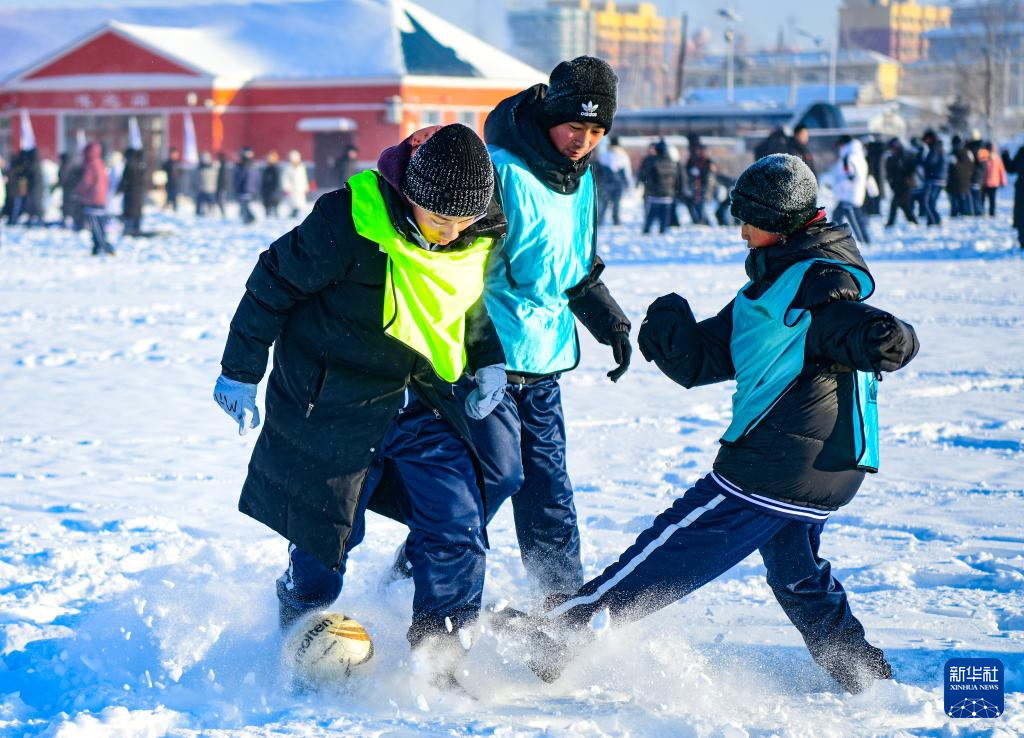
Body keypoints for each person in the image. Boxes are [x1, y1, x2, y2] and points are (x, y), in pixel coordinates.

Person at [503, 153, 920, 695]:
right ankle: (865, 677)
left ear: (779, 221)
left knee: (671, 548)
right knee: (797, 575)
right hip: (821, 467)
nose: (741, 231)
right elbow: (704, 361)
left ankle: (563, 632)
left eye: (749, 219)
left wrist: (888, 336)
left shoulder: (818, 283)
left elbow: (859, 327)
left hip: (777, 463)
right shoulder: (771, 285)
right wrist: (670, 330)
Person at [213, 123, 509, 683]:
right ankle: (299, 635)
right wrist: (239, 372)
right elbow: (272, 282)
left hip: (421, 400)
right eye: (439, 219)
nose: (451, 233)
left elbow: (463, 303)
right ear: (412, 194)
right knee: (326, 539)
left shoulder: (474, 233)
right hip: (336, 403)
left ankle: (441, 663)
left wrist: (488, 358)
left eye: (463, 221)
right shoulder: (347, 221)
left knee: (457, 527)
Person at [390, 57, 634, 599]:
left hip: (544, 362)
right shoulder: (499, 171)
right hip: (485, 361)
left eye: (597, 131)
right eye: (575, 126)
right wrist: (470, 351)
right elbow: (453, 267)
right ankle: (410, 582)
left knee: (550, 493)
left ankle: (561, 608)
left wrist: (608, 319)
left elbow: (574, 265)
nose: (584, 141)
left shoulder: (582, 180)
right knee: (486, 485)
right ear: (550, 115)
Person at [830, 136, 871, 244]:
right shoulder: (857, 154)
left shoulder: (848, 157)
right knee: (838, 217)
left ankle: (864, 242)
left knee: (853, 220)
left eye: (839, 145)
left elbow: (851, 176)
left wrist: (839, 186)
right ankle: (838, 242)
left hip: (849, 194)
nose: (838, 148)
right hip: (851, 194)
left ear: (844, 145)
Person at [77, 142, 114, 256]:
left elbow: (87, 182)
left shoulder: (91, 164)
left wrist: (78, 190)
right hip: (101, 198)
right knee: (100, 224)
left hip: (92, 198)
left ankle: (104, 246)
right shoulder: (101, 163)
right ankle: (97, 247)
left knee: (95, 226)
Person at [637, 139, 681, 234]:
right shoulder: (672, 163)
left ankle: (646, 231)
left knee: (651, 215)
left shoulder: (653, 162)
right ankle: (662, 232)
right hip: (668, 194)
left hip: (655, 195)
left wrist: (649, 188)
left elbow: (646, 177)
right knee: (665, 217)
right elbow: (677, 178)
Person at [597, 136, 632, 225]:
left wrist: (599, 182)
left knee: (604, 203)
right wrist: (628, 184)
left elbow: (599, 171)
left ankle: (600, 221)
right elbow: (627, 172)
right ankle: (616, 221)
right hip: (618, 183)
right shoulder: (623, 156)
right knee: (616, 204)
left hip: (606, 183)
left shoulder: (604, 156)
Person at [884, 138, 918, 227]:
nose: (892, 150)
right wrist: (891, 181)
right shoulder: (892, 157)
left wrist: (907, 177)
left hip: (905, 184)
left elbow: (911, 168)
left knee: (895, 204)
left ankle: (891, 222)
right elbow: (890, 171)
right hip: (896, 185)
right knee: (904, 205)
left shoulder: (905, 155)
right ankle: (913, 221)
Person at [118, 147, 147, 236]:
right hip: (138, 193)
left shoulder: (129, 165)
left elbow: (124, 180)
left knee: (129, 212)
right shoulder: (142, 164)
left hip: (130, 193)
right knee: (137, 212)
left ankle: (129, 230)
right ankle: (136, 229)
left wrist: (119, 189)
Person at [685, 142, 717, 225]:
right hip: (696, 187)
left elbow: (710, 175)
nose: (700, 152)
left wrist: (700, 172)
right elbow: (687, 171)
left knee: (702, 205)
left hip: (705, 187)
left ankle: (704, 222)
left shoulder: (709, 161)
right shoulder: (693, 160)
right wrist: (692, 172)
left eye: (702, 151)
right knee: (696, 205)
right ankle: (700, 221)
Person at [920, 130, 945, 226]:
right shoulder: (938, 147)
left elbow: (930, 162)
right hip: (937, 178)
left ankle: (934, 220)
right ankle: (934, 220)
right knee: (931, 201)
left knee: (928, 201)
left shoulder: (934, 148)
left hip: (934, 179)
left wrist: (921, 159)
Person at [1003, 144, 1024, 249]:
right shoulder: (1022, 151)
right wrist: (1005, 156)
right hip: (1021, 190)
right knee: (1021, 216)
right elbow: (1011, 168)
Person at [282, 149, 310, 218]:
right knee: (292, 203)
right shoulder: (288, 168)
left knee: (299, 204)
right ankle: (293, 213)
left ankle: (296, 213)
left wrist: (306, 188)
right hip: (292, 190)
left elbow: (304, 178)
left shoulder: (301, 168)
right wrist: (286, 188)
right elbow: (285, 179)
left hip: (300, 189)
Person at [234, 147, 259, 224]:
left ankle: (250, 218)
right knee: (245, 205)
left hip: (245, 189)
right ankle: (248, 219)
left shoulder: (244, 165)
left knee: (245, 205)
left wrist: (237, 187)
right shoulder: (252, 165)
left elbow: (241, 178)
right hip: (250, 189)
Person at [982, 141, 1006, 217]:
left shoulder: (997, 158)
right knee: (983, 199)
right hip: (985, 182)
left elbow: (1001, 170)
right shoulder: (983, 157)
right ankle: (983, 212)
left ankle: (991, 213)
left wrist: (1003, 181)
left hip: (992, 183)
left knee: (991, 199)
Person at [260, 150, 282, 218]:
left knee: (274, 203)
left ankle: (275, 215)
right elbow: (263, 180)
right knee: (266, 204)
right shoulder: (266, 169)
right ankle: (268, 214)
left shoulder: (275, 169)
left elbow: (277, 180)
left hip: (273, 190)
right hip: (266, 190)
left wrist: (275, 189)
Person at [195, 152, 218, 216]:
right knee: (202, 204)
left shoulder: (211, 168)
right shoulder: (200, 168)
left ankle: (209, 214)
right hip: (205, 189)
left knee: (209, 204)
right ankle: (201, 214)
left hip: (208, 189)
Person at [162, 148, 181, 212]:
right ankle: (166, 210)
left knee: (174, 198)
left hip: (176, 183)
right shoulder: (168, 163)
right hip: (169, 183)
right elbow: (163, 171)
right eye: (174, 154)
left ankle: (174, 210)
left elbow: (179, 173)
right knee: (169, 197)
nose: (176, 155)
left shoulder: (177, 163)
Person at [214, 152, 231, 218]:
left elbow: (223, 179)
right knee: (220, 201)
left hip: (222, 187)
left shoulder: (223, 167)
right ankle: (222, 214)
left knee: (221, 201)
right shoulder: (222, 166)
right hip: (221, 187)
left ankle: (224, 214)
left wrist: (222, 186)